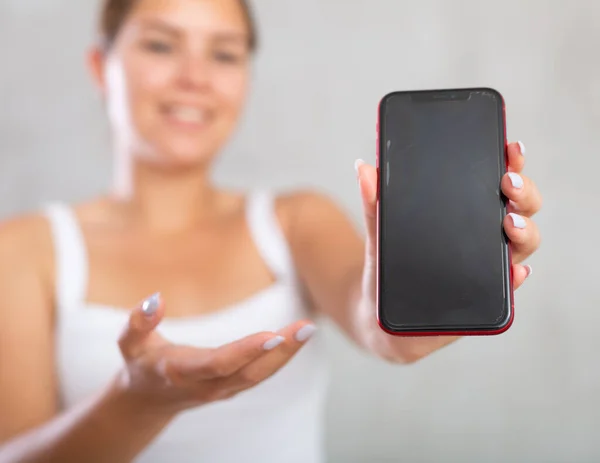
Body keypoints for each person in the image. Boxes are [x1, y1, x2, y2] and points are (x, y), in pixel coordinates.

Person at [0, 0, 543, 462]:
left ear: (246, 78)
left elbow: (383, 330)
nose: (196, 77)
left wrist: (434, 278)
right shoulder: (23, 251)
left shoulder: (295, 220)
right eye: (162, 46)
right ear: (101, 66)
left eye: (224, 54)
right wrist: (137, 401)